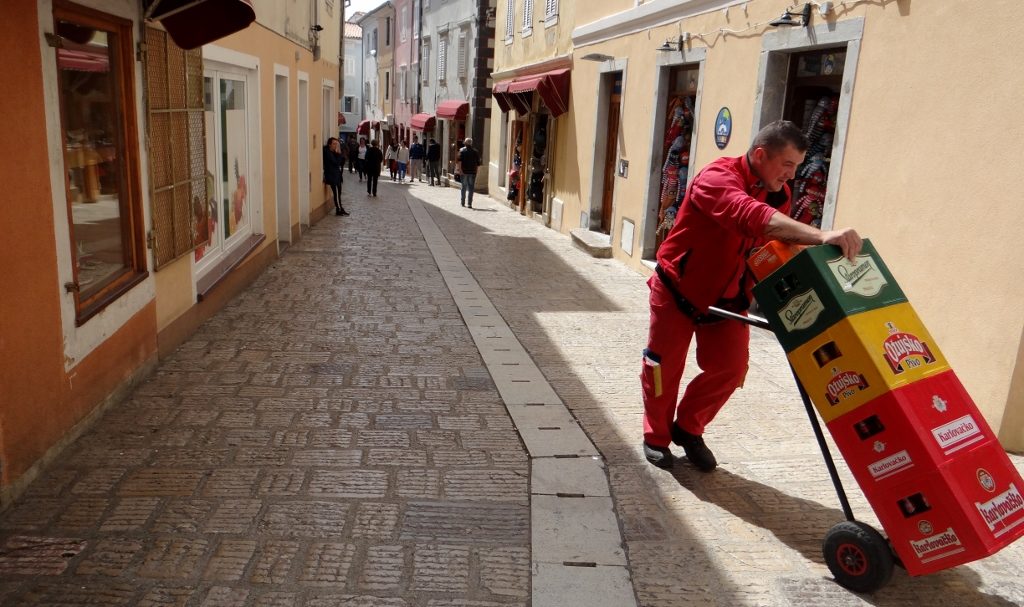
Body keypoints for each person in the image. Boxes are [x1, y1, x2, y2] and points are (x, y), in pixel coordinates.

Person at [641, 120, 862, 472]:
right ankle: (656, 437)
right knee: (662, 369)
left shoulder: (778, 193)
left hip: (728, 299)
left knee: (731, 369)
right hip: (677, 289)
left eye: (797, 167)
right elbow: (752, 216)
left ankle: (688, 428)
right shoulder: (716, 178)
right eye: (787, 164)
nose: (791, 175)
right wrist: (822, 235)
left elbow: (774, 244)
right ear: (760, 155)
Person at [322, 137, 349, 216]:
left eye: (337, 144)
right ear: (329, 144)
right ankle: (339, 209)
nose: (335, 146)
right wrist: (339, 154)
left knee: (339, 193)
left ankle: (340, 208)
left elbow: (341, 162)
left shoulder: (334, 152)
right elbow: (336, 163)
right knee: (336, 193)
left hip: (337, 175)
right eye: (334, 144)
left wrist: (339, 153)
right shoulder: (327, 152)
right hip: (332, 176)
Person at [457, 138, 482, 208]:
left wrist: (460, 170)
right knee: (471, 188)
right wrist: (476, 171)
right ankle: (469, 204)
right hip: (472, 172)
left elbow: (459, 161)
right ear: (471, 143)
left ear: (465, 143)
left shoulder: (461, 151)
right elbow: (478, 163)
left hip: (464, 171)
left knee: (464, 187)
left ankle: (462, 202)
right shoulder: (475, 151)